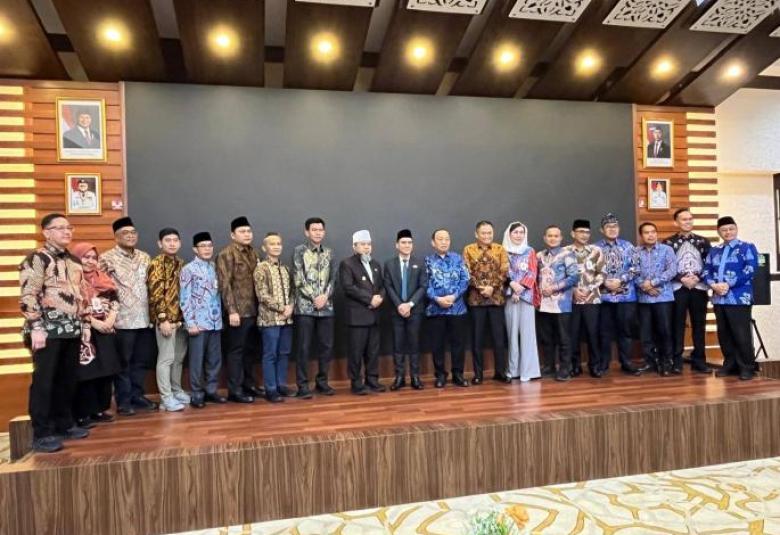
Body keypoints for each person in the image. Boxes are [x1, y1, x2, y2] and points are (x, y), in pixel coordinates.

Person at [20, 214, 90, 453]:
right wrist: (36, 327)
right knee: (44, 381)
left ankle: (64, 424)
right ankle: (41, 433)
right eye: (59, 228)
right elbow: (29, 293)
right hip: (46, 330)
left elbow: (81, 294)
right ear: (46, 232)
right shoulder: (37, 258)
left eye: (69, 227)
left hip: (71, 328)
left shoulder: (74, 261)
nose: (66, 232)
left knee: (67, 380)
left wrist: (85, 324)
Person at [100, 217, 157, 416]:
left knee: (140, 362)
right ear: (116, 237)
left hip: (144, 318)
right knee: (123, 363)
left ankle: (137, 396)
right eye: (126, 233)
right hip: (122, 320)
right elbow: (101, 288)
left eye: (133, 233)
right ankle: (123, 401)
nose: (131, 236)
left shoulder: (145, 257)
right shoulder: (106, 258)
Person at [71, 243, 123, 428]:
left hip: (106, 329)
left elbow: (115, 300)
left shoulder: (103, 278)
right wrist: (95, 323)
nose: (90, 261)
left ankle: (100, 409)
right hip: (85, 332)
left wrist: (110, 320)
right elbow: (74, 307)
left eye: (94, 258)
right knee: (87, 373)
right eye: (86, 257)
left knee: (106, 370)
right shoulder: (72, 280)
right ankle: (83, 413)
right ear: (77, 258)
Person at [703, 216, 759, 381]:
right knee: (724, 334)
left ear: (736, 229)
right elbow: (706, 271)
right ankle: (730, 364)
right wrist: (713, 285)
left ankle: (747, 367)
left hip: (739, 297)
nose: (728, 232)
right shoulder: (714, 250)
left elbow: (750, 270)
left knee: (741, 333)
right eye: (724, 230)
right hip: (719, 298)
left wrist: (728, 284)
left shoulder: (746, 247)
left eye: (731, 229)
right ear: (719, 232)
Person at [216, 216, 261, 403]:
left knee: (250, 351)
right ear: (233, 235)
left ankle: (249, 385)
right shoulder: (226, 254)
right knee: (236, 352)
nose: (247, 234)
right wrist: (231, 310)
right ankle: (235, 390)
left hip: (254, 310)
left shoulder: (254, 253)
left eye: (249, 231)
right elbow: (224, 284)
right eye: (242, 231)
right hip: (238, 313)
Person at [663, 208, 712, 374]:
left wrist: (698, 277)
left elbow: (710, 264)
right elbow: (666, 266)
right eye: (684, 219)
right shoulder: (668, 243)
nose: (688, 222)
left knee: (699, 324)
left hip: (699, 287)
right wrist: (681, 278)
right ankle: (676, 361)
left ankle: (700, 360)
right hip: (678, 288)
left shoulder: (703, 241)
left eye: (690, 219)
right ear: (676, 222)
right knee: (677, 324)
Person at [292, 217, 336, 398]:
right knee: (303, 347)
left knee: (326, 347)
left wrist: (325, 296)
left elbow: (333, 278)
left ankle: (322, 382)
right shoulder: (299, 251)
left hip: (326, 307)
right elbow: (298, 279)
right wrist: (314, 297)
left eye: (320, 230)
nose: (318, 233)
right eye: (314, 230)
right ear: (307, 232)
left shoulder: (329, 252)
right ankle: (302, 385)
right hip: (305, 308)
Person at [180, 232, 226, 409]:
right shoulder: (188, 269)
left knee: (214, 360)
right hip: (198, 324)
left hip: (215, 322)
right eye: (203, 246)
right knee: (197, 361)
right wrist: (190, 323)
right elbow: (184, 298)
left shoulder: (215, 267)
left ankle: (211, 390)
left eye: (209, 246)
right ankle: (197, 393)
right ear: (195, 249)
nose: (207, 249)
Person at [463, 221, 510, 384]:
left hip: (496, 300)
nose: (486, 236)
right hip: (476, 300)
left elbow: (504, 271)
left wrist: (492, 287)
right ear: (476, 234)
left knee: (499, 338)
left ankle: (500, 372)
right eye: (483, 233)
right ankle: (478, 374)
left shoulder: (500, 249)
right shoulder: (468, 249)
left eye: (489, 233)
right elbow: (466, 272)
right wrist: (481, 288)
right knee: (477, 339)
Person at [339, 230, 386, 395]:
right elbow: (348, 287)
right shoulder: (347, 264)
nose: (366, 247)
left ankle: (372, 380)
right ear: (354, 246)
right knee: (356, 352)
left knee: (373, 351)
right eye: (363, 244)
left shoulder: (375, 264)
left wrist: (379, 297)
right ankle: (356, 383)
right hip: (358, 316)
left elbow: (382, 286)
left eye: (369, 244)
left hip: (374, 315)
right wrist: (369, 299)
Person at [148, 228, 188, 412]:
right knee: (166, 359)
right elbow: (155, 294)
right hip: (165, 321)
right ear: (160, 243)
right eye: (167, 240)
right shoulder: (156, 264)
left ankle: (176, 390)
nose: (172, 243)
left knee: (178, 358)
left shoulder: (181, 263)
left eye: (175, 240)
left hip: (180, 321)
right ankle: (166, 398)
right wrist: (162, 319)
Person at [596, 213, 641, 376]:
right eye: (608, 227)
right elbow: (590, 270)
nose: (612, 229)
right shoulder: (595, 248)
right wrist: (605, 281)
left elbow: (636, 268)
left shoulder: (628, 246)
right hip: (603, 296)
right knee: (604, 332)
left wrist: (620, 280)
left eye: (615, 226)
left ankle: (626, 362)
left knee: (626, 330)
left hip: (626, 296)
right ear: (602, 230)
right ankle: (603, 363)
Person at [383, 229, 428, 390]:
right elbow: (388, 286)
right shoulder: (389, 264)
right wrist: (399, 305)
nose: (407, 245)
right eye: (403, 242)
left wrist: (409, 304)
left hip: (415, 311)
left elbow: (423, 286)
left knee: (414, 344)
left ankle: (415, 377)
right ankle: (399, 378)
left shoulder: (420, 263)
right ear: (397, 245)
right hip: (396, 311)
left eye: (409, 242)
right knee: (398, 345)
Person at [426, 228, 470, 388]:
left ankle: (458, 374)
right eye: (440, 239)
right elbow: (424, 284)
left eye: (447, 239)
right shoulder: (428, 261)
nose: (444, 242)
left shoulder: (458, 259)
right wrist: (437, 298)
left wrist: (454, 296)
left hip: (457, 309)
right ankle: (440, 375)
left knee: (458, 343)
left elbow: (465, 280)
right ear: (433, 242)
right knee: (437, 344)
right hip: (435, 309)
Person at [254, 232, 295, 403]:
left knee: (284, 352)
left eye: (279, 243)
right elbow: (262, 294)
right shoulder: (261, 268)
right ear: (264, 248)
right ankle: (270, 388)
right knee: (270, 354)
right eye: (272, 244)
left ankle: (281, 384)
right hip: (269, 319)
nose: (276, 246)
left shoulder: (285, 269)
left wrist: (290, 306)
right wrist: (281, 308)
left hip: (287, 319)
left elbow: (292, 291)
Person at [536, 225, 578, 381]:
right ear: (544, 238)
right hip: (543, 303)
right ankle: (549, 366)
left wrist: (554, 288)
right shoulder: (539, 256)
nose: (552, 238)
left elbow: (574, 277)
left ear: (561, 238)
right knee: (546, 337)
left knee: (563, 337)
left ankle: (565, 368)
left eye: (556, 236)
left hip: (561, 303)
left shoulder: (568, 254)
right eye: (550, 235)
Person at [635, 222, 677, 377]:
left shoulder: (667, 250)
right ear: (641, 235)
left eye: (653, 232)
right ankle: (650, 362)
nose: (650, 235)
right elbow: (633, 272)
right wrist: (645, 286)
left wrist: (653, 283)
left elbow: (672, 270)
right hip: (643, 298)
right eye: (646, 232)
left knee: (664, 331)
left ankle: (666, 362)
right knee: (646, 333)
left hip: (663, 296)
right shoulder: (635, 252)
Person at [566, 219, 606, 378]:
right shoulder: (565, 251)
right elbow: (560, 275)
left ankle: (594, 365)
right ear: (573, 233)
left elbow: (602, 273)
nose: (584, 235)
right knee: (573, 333)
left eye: (587, 232)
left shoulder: (596, 251)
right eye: (581, 232)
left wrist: (589, 288)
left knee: (593, 333)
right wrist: (573, 289)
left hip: (592, 298)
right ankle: (575, 365)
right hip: (571, 299)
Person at [502, 221, 540, 382]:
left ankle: (528, 371)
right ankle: (513, 370)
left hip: (526, 296)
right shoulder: (503, 251)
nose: (518, 235)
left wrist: (521, 289)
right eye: (515, 232)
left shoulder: (530, 251)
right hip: (509, 296)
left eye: (521, 232)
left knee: (528, 334)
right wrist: (512, 287)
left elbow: (532, 272)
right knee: (511, 334)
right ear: (509, 234)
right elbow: (503, 272)